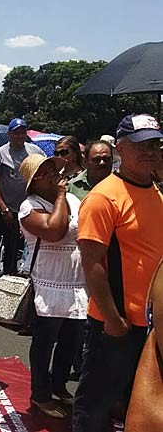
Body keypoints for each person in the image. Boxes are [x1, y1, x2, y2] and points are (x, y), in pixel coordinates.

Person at [72, 114, 163, 432]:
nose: (149, 151)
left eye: (154, 144)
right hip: (117, 326)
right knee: (95, 403)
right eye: (141, 145)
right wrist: (112, 319)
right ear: (120, 149)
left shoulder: (156, 192)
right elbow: (92, 263)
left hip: (152, 327)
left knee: (137, 405)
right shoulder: (103, 197)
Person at [18, 154, 88, 419]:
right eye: (46, 171)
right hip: (47, 282)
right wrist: (60, 196)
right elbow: (55, 231)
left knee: (71, 340)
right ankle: (40, 393)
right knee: (45, 341)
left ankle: (58, 385)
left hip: (75, 281)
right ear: (35, 182)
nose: (53, 173)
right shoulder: (29, 206)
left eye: (52, 168)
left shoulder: (73, 200)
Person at [0, 118, 45, 276]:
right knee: (10, 247)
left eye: (22, 132)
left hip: (32, 207)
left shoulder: (35, 151)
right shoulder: (0, 153)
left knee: (32, 245)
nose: (20, 136)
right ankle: (8, 278)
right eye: (16, 133)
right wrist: (2, 208)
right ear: (9, 134)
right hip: (10, 208)